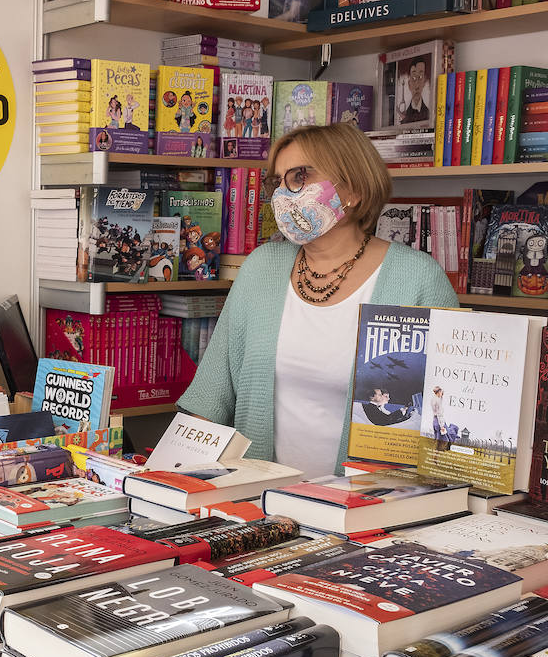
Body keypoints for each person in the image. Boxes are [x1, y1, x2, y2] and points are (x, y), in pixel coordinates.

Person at [177, 122, 458, 479]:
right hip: (256, 502)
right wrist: (173, 485)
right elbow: (210, 399)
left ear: (352, 189)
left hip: (367, 512)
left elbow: (443, 410)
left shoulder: (417, 278)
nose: (282, 194)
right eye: (276, 181)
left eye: (298, 176)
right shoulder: (262, 266)